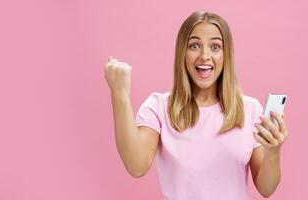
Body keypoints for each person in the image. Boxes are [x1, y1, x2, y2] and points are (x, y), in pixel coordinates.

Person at [104, 11, 288, 200]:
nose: (204, 56)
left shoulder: (250, 109)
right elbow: (136, 166)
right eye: (194, 45)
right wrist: (120, 95)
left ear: (226, 55)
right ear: (182, 52)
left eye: (215, 46)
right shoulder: (158, 107)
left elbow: (267, 189)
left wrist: (273, 153)